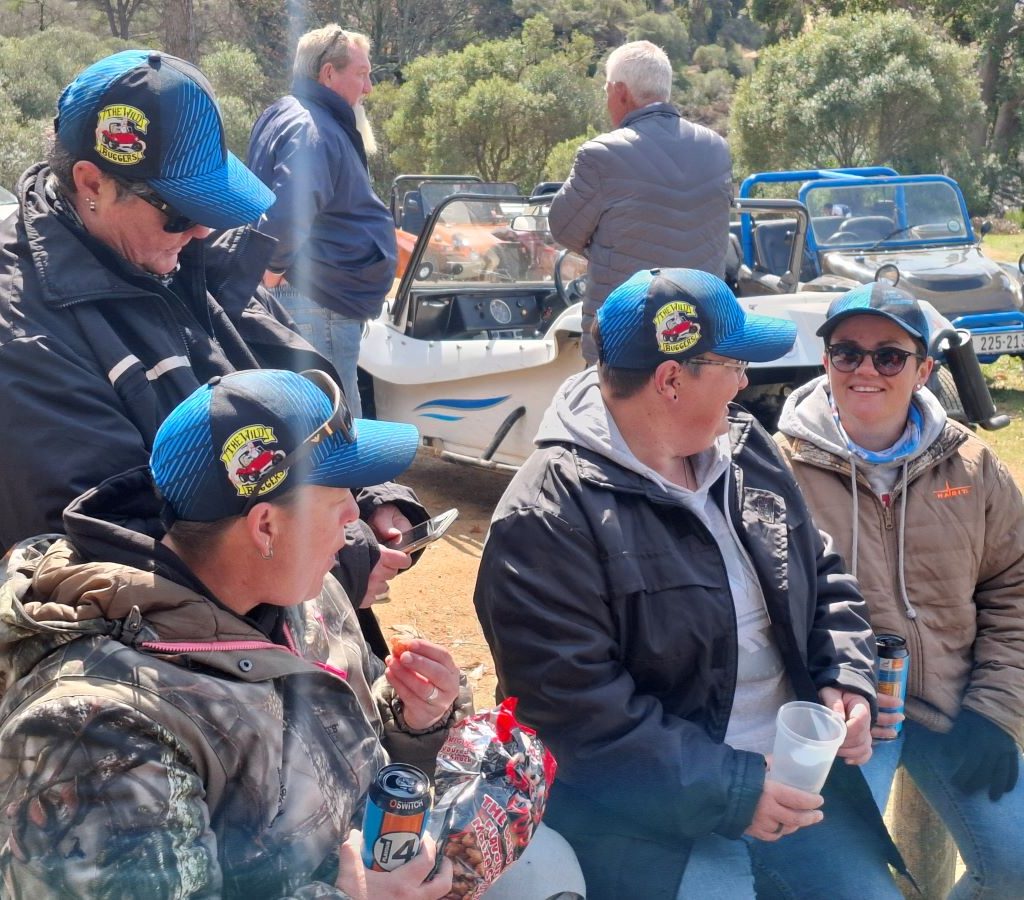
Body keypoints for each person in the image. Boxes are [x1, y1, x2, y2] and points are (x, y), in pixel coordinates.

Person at [474, 268, 905, 899]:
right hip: (649, 820)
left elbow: (820, 574)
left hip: (793, 785)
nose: (745, 381)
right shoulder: (546, 518)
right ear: (671, 379)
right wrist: (734, 790)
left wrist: (845, 676)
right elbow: (577, 714)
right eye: (732, 364)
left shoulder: (744, 447)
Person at [0, 49, 419, 644]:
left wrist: (366, 491)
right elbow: (106, 539)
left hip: (270, 634)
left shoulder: (181, 259)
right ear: (91, 183)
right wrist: (341, 557)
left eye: (209, 206)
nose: (201, 228)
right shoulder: (22, 331)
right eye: (181, 211)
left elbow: (291, 394)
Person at [0, 367, 467, 897]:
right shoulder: (98, 726)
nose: (354, 517)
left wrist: (412, 719)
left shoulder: (300, 594)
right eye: (338, 497)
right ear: (265, 526)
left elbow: (335, 740)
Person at [775, 282, 1024, 899]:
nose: (866, 369)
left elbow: (1014, 587)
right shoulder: (773, 469)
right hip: (846, 720)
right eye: (846, 353)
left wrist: (996, 710)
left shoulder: (973, 465)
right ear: (825, 360)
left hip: (955, 702)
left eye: (889, 355)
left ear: (925, 370)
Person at [547, 41, 732, 364]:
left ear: (620, 91)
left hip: (626, 340)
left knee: (611, 415)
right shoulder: (716, 148)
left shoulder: (601, 154)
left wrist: (607, 243)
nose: (607, 101)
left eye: (607, 92)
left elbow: (563, 229)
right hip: (698, 337)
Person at [248, 25, 397, 417]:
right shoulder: (310, 126)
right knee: (334, 425)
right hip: (316, 301)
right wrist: (273, 268)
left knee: (314, 419)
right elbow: (289, 210)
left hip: (317, 298)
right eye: (362, 74)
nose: (369, 88)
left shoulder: (290, 114)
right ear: (328, 74)